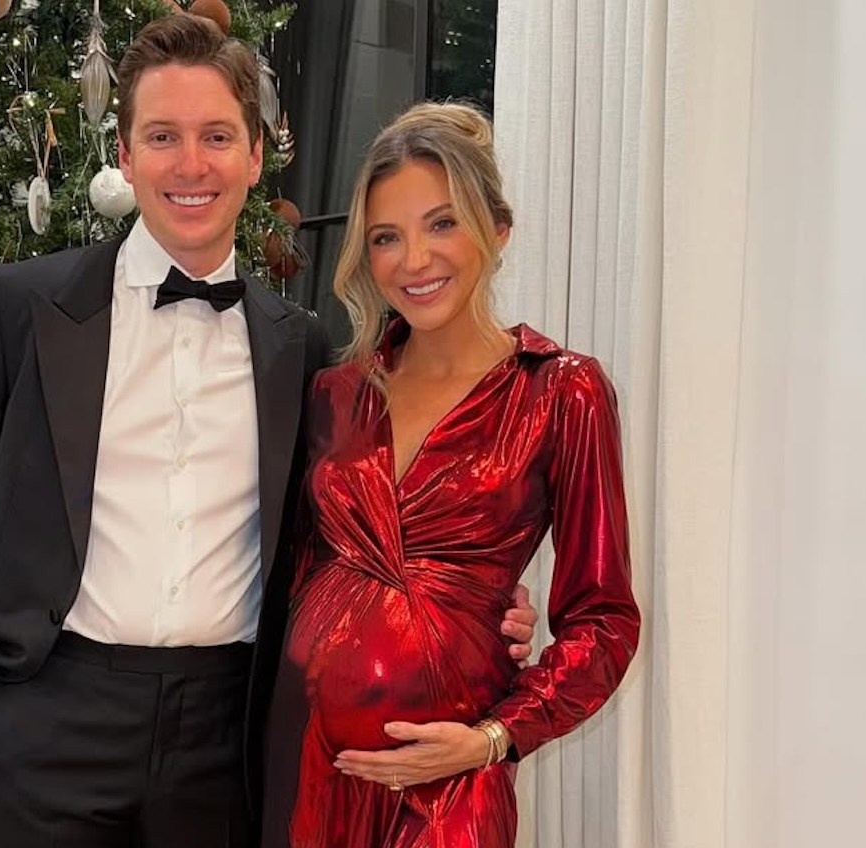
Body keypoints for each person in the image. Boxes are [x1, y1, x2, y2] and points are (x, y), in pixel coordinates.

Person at [0, 15, 538, 848]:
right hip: (45, 721)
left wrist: (482, 599)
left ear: (255, 154)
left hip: (228, 735)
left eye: (216, 136)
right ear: (126, 154)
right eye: (163, 136)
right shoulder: (18, 306)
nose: (191, 165)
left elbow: (347, 530)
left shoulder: (302, 347)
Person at [262, 102, 642, 847]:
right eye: (386, 237)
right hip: (309, 768)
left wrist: (495, 738)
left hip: (449, 790)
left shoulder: (560, 391)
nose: (414, 260)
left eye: (442, 224)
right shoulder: (334, 394)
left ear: (497, 230)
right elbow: (296, 573)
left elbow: (605, 621)